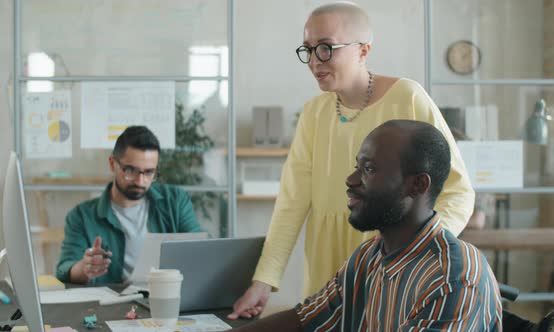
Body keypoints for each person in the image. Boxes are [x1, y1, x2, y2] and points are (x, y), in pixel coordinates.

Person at [230, 1, 475, 319]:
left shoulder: (408, 97)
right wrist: (264, 281)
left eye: (327, 48)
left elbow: (459, 192)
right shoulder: (314, 112)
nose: (315, 61)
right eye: (308, 49)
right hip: (325, 261)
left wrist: (413, 252)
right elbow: (292, 202)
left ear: (364, 50)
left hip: (391, 264)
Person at [232, 120, 502, 331]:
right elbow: (305, 320)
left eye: (369, 169)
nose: (350, 180)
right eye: (356, 166)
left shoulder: (454, 278)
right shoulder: (369, 256)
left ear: (417, 184)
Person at [56, 126, 201, 284]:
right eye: (130, 170)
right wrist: (84, 268)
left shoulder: (175, 201)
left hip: (165, 296)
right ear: (112, 164)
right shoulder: (82, 216)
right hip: (112, 304)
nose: (140, 181)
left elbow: (198, 248)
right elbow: (64, 270)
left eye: (149, 172)